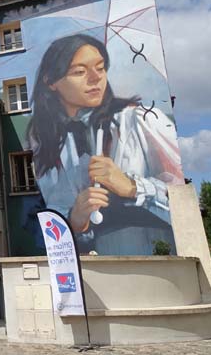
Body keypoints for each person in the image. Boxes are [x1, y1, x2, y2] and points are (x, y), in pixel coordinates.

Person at [26, 34, 183, 255]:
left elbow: (182, 198)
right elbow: (53, 212)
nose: (95, 78)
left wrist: (131, 187)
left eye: (100, 68)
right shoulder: (47, 140)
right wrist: (76, 219)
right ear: (51, 81)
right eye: (80, 72)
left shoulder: (141, 120)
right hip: (94, 264)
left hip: (156, 254)